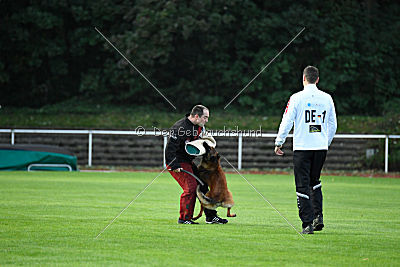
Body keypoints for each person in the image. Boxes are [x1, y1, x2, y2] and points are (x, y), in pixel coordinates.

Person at [274, 66, 337, 234]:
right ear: (317, 79)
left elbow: (287, 120)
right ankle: (318, 216)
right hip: (320, 147)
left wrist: (279, 141)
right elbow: (333, 124)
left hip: (302, 147)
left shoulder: (296, 98)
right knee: (315, 181)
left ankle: (307, 223)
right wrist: (325, 142)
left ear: (303, 78)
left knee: (302, 185)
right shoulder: (327, 98)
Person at [165, 104, 228, 224]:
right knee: (191, 188)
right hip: (177, 163)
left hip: (188, 161)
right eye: (205, 117)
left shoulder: (199, 126)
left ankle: (210, 216)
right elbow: (170, 149)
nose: (206, 120)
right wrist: (174, 165)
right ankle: (184, 218)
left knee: (203, 186)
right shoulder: (180, 128)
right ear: (197, 116)